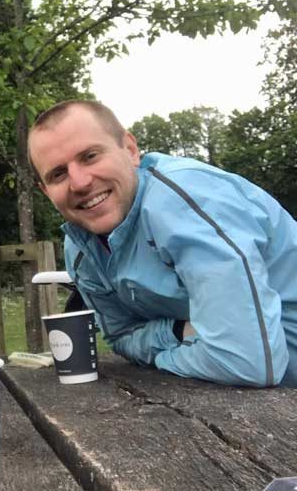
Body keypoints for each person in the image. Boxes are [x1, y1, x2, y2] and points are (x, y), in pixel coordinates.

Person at [28, 99, 297, 388]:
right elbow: (121, 339)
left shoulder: (182, 203)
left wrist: (159, 355)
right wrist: (181, 332)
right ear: (46, 191)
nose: (79, 182)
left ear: (130, 150)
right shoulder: (80, 248)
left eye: (90, 156)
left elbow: (248, 362)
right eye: (58, 174)